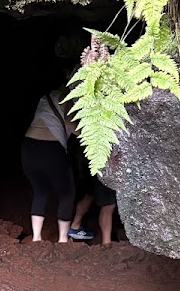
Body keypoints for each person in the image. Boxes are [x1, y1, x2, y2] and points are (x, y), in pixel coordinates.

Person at [21, 90, 76, 242]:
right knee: (67, 194)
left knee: (40, 191)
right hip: (51, 148)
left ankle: (36, 238)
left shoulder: (44, 97)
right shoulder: (68, 97)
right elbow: (70, 124)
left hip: (29, 148)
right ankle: (63, 240)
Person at [69, 176, 119, 245]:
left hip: (93, 169)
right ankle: (106, 243)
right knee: (108, 205)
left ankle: (75, 226)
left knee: (90, 194)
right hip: (105, 173)